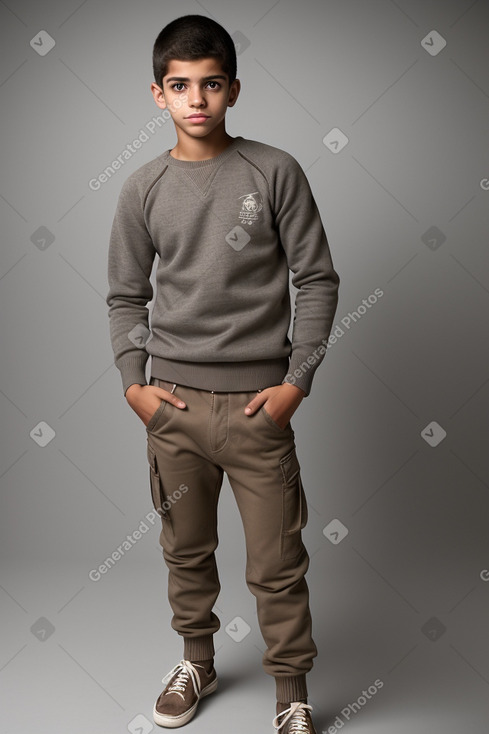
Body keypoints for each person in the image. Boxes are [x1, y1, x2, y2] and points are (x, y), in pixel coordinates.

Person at [106, 14, 339, 734]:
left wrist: (295, 383)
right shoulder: (141, 189)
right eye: (180, 86)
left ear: (233, 89)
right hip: (171, 408)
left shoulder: (273, 171)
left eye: (210, 84)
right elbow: (125, 295)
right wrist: (133, 384)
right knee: (185, 548)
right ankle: (197, 661)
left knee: (277, 562)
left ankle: (291, 694)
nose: (196, 100)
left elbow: (318, 279)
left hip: (256, 410)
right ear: (157, 94)